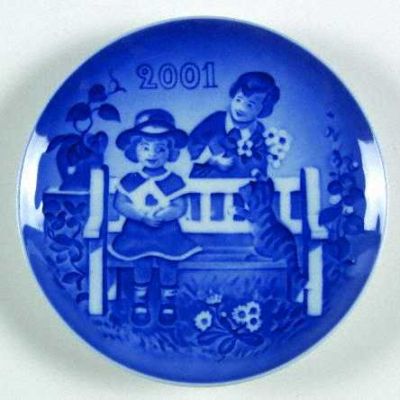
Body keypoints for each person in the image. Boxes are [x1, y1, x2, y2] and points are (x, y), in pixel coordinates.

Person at [110, 109, 202, 326]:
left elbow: (180, 207)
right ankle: (140, 302)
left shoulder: (174, 180)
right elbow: (120, 203)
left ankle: (168, 303)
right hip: (137, 233)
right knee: (141, 262)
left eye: (160, 149)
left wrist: (164, 214)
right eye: (145, 147)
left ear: (170, 152)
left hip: (167, 233)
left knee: (169, 263)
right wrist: (141, 216)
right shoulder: (130, 179)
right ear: (134, 151)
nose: (152, 154)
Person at [188, 71, 280, 178]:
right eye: (238, 100)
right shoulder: (216, 120)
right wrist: (210, 157)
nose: (241, 108)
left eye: (250, 105)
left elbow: (260, 165)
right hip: (206, 182)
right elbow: (192, 144)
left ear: (262, 109)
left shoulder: (260, 132)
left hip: (242, 185)